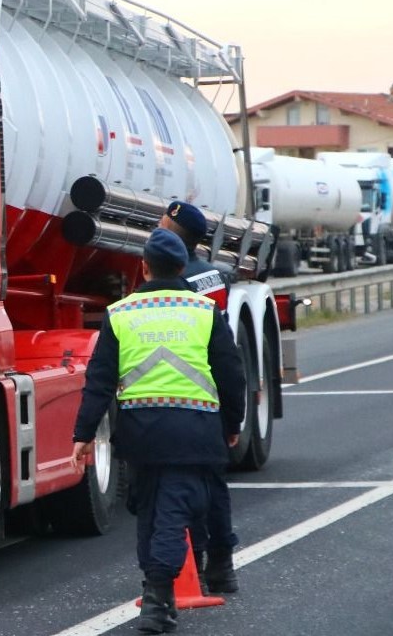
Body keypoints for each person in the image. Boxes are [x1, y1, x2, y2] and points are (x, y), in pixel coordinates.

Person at [70, 228, 245, 634]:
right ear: (183, 267)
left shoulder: (120, 313)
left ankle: (157, 597)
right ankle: (157, 598)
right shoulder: (204, 311)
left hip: (141, 433)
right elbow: (231, 373)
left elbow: (99, 381)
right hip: (194, 429)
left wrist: (84, 433)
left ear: (144, 268)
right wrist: (232, 423)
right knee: (174, 511)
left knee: (151, 512)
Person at [159, 200, 240, 594]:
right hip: (212, 392)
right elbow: (226, 354)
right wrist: (234, 416)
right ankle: (222, 565)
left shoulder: (176, 281)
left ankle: (191, 560)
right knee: (212, 484)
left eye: (163, 220)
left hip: (180, 392)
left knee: (179, 487)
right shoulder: (213, 275)